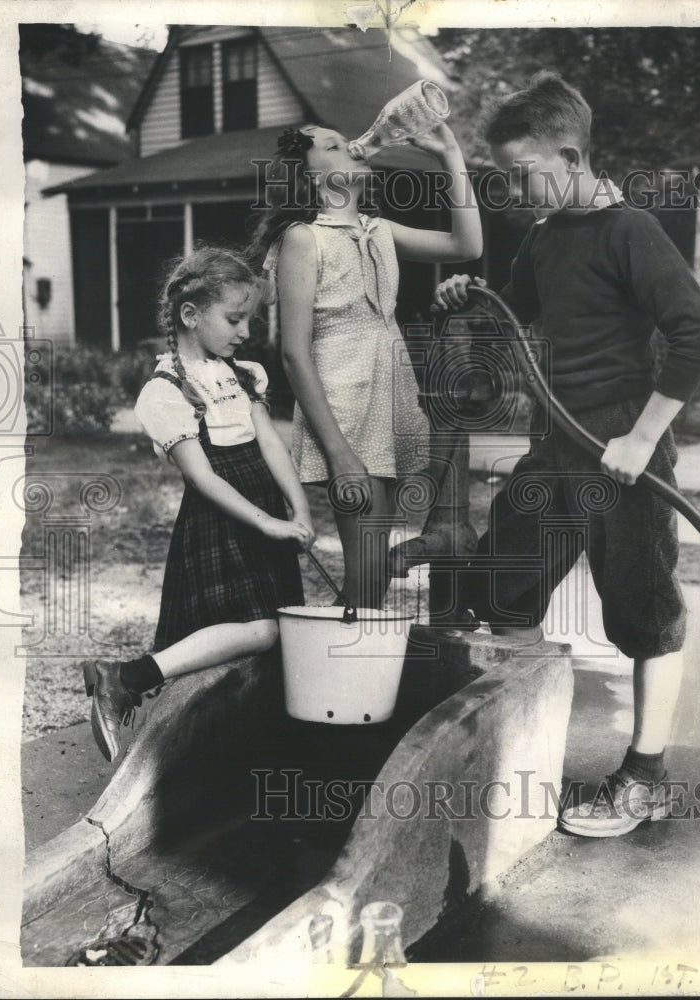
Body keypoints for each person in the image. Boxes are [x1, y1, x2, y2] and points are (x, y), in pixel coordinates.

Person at [434, 71, 700, 837]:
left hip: (621, 444)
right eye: (504, 179)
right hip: (556, 442)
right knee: (502, 586)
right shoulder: (543, 236)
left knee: (643, 610)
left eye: (522, 175)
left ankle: (646, 778)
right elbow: (521, 307)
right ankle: (522, 752)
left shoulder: (630, 231)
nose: (515, 192)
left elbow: (697, 335)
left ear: (569, 153)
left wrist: (643, 437)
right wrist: (470, 293)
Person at [84, 245, 315, 762]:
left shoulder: (242, 374)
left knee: (266, 631)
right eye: (234, 318)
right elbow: (203, 476)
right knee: (263, 628)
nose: (245, 331)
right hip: (222, 518)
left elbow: (271, 444)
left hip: (262, 505)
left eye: (248, 319)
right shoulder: (165, 392)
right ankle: (126, 677)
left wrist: (297, 510)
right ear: (191, 315)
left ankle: (236, 742)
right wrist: (267, 524)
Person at [254, 121, 482, 609]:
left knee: (372, 579)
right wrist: (339, 455)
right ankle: (326, 675)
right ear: (312, 179)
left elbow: (468, 246)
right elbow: (294, 353)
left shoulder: (380, 231)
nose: (353, 145)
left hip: (389, 404)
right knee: (369, 576)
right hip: (343, 415)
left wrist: (450, 154)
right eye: (334, 145)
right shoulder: (303, 238)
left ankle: (338, 673)